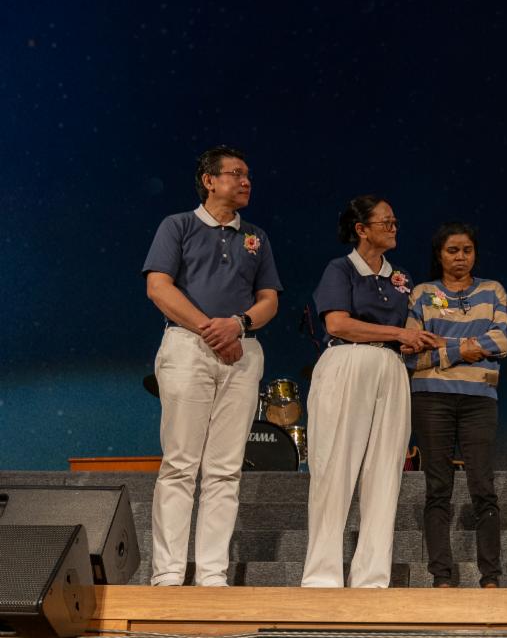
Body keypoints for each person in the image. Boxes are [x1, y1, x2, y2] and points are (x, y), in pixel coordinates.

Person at [142, 145, 282, 587]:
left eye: (248, 175)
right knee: (181, 463)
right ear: (209, 180)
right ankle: (168, 572)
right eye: (235, 173)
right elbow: (158, 287)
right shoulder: (178, 225)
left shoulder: (256, 236)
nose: (245, 181)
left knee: (225, 468)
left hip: (242, 351)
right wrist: (211, 330)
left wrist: (237, 325)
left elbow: (269, 299)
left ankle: (211, 573)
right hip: (189, 347)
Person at [301, 195, 439, 588]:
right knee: (334, 468)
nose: (393, 228)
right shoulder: (341, 269)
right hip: (348, 362)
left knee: (385, 473)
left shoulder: (401, 277)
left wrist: (412, 340)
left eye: (395, 222)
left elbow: (404, 329)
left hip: (390, 368)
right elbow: (338, 324)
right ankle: (322, 576)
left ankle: (372, 578)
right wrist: (399, 333)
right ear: (361, 229)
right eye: (385, 222)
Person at [404, 222, 507, 588]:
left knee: (483, 486)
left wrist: (442, 347)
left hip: (479, 399)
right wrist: (465, 349)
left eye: (467, 250)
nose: (460, 257)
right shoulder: (423, 294)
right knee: (438, 487)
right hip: (432, 398)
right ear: (440, 255)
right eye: (452, 250)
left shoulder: (492, 290)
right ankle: (442, 576)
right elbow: (411, 355)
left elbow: (502, 342)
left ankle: (490, 576)